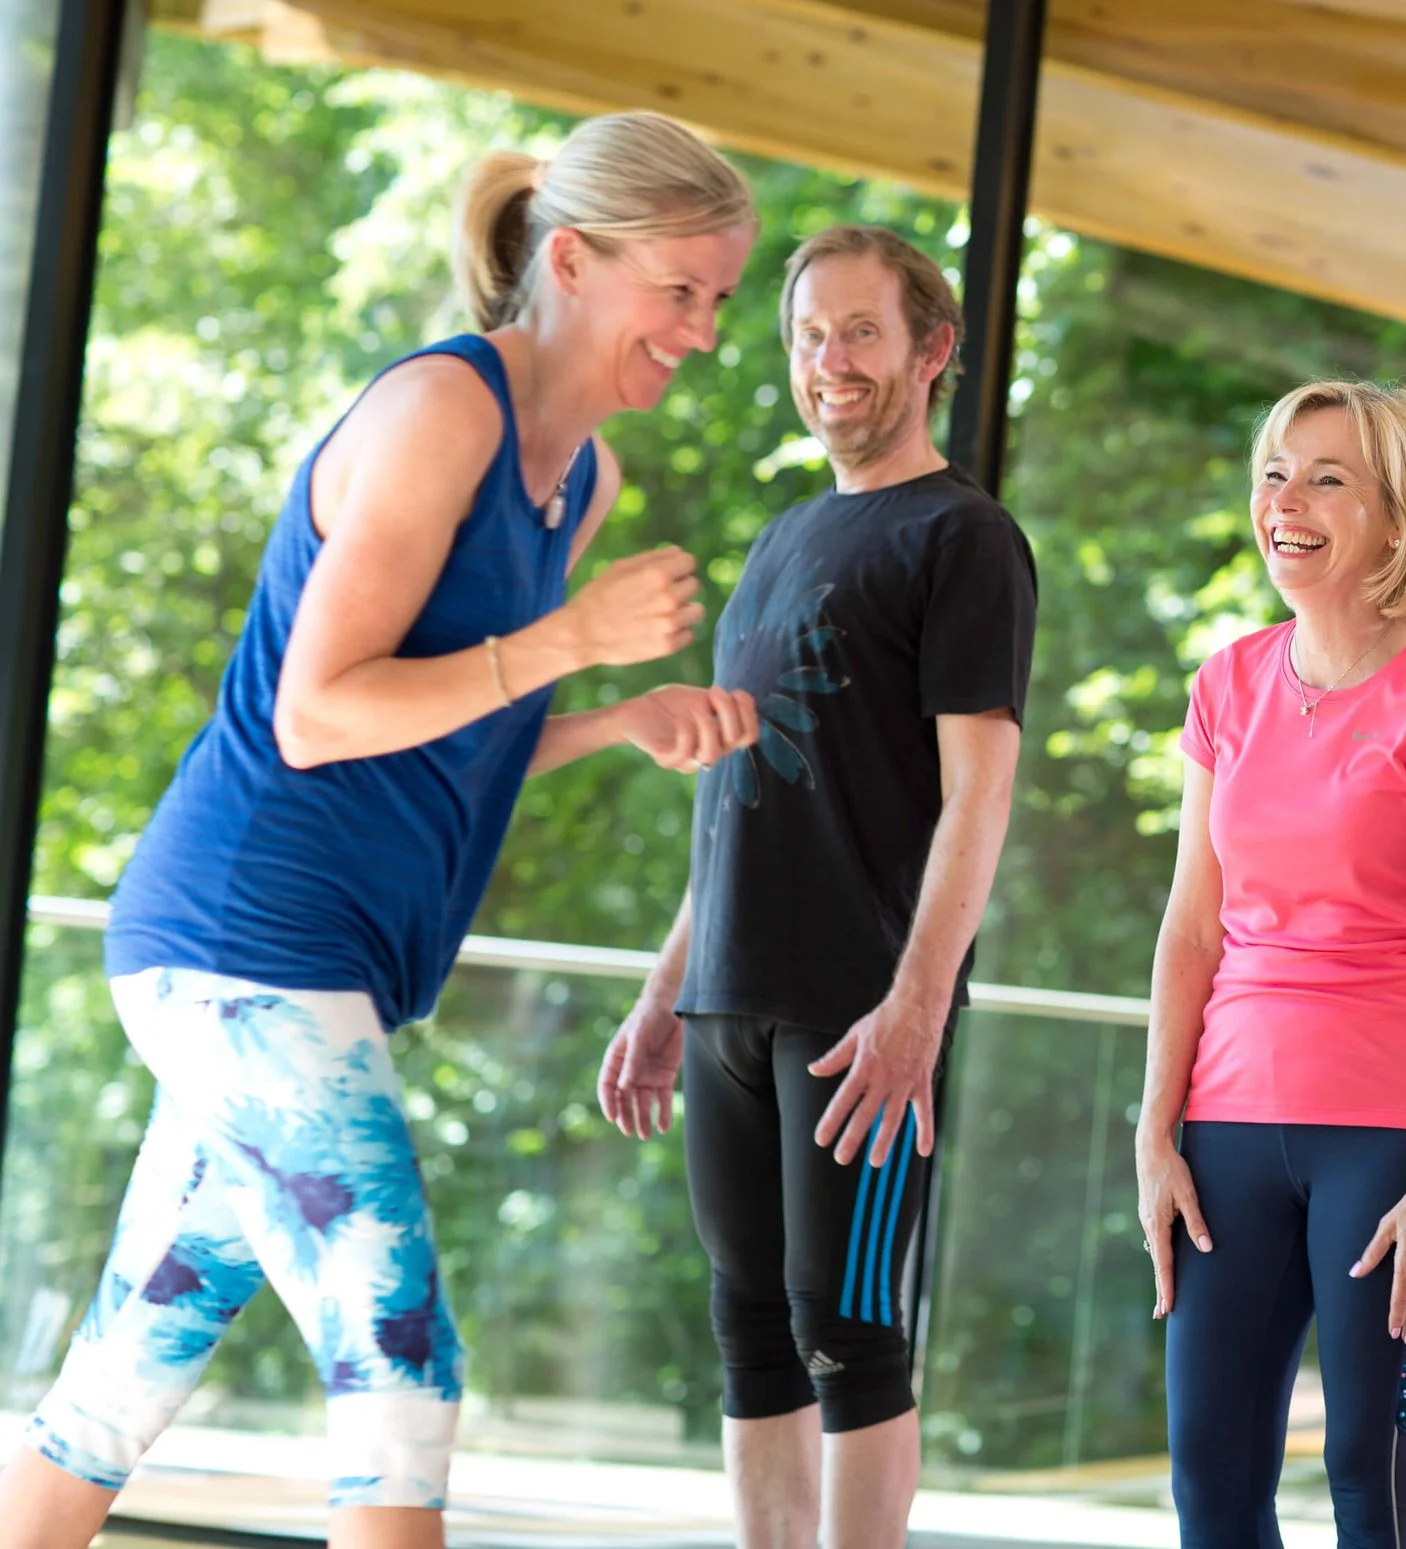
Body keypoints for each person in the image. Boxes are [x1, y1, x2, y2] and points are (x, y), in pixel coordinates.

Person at [0, 112, 759, 1549]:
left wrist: (616, 715)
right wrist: (572, 640)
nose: (707, 334)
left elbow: (450, 735)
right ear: (580, 263)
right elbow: (318, 715)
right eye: (683, 291)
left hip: (319, 963)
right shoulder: (441, 413)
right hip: (244, 938)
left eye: (720, 299)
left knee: (126, 1369)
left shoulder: (577, 476)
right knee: (401, 1366)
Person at [596, 225, 1035, 1549]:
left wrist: (918, 1009)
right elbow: (733, 790)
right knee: (751, 1336)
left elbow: (981, 795)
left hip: (862, 1015)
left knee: (850, 1333)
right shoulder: (785, 537)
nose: (828, 361)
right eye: (806, 334)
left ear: (931, 351)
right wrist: (665, 989)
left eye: (859, 332)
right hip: (730, 1000)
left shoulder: (965, 538)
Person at [1135, 381, 1406, 1549]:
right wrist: (1155, 1130)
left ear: (1397, 518)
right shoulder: (1229, 681)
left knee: (1371, 1470)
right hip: (1226, 1123)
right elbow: (1190, 930)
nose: (1284, 502)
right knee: (1211, 1472)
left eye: (1326, 478)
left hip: (1393, 1139)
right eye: (1272, 473)